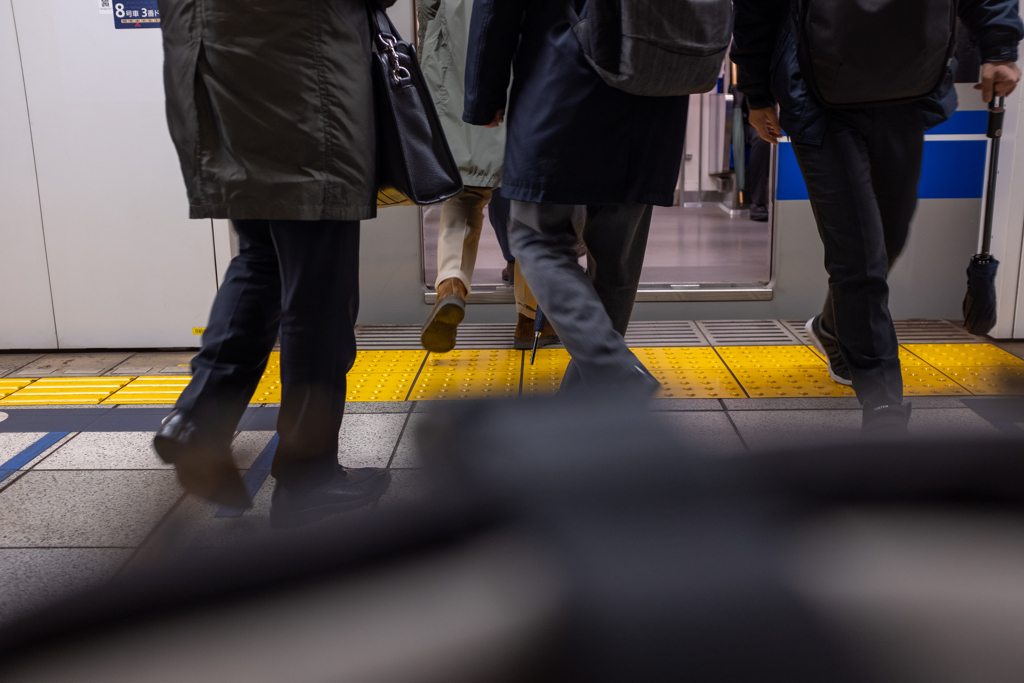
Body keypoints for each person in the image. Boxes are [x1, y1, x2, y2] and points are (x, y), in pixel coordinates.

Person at [152, 0, 395, 527]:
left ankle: (199, 419)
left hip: (207, 59)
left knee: (260, 253)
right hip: (302, 74)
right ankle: (310, 476)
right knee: (320, 290)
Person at [732, 0, 1022, 433]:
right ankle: (883, 404)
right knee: (859, 257)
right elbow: (758, 10)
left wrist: (1000, 48)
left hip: (906, 88)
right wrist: (756, 93)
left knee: (889, 239)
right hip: (817, 99)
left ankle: (833, 328)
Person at [463, 0, 689, 394]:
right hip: (656, 90)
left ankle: (616, 369)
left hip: (564, 79)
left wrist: (484, 94)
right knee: (616, 262)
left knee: (535, 237)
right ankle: (586, 411)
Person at [418, 0, 555, 352]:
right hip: (527, 64)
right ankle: (529, 319)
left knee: (463, 194)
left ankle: (450, 286)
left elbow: (428, 9)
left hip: (459, 65)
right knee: (527, 199)